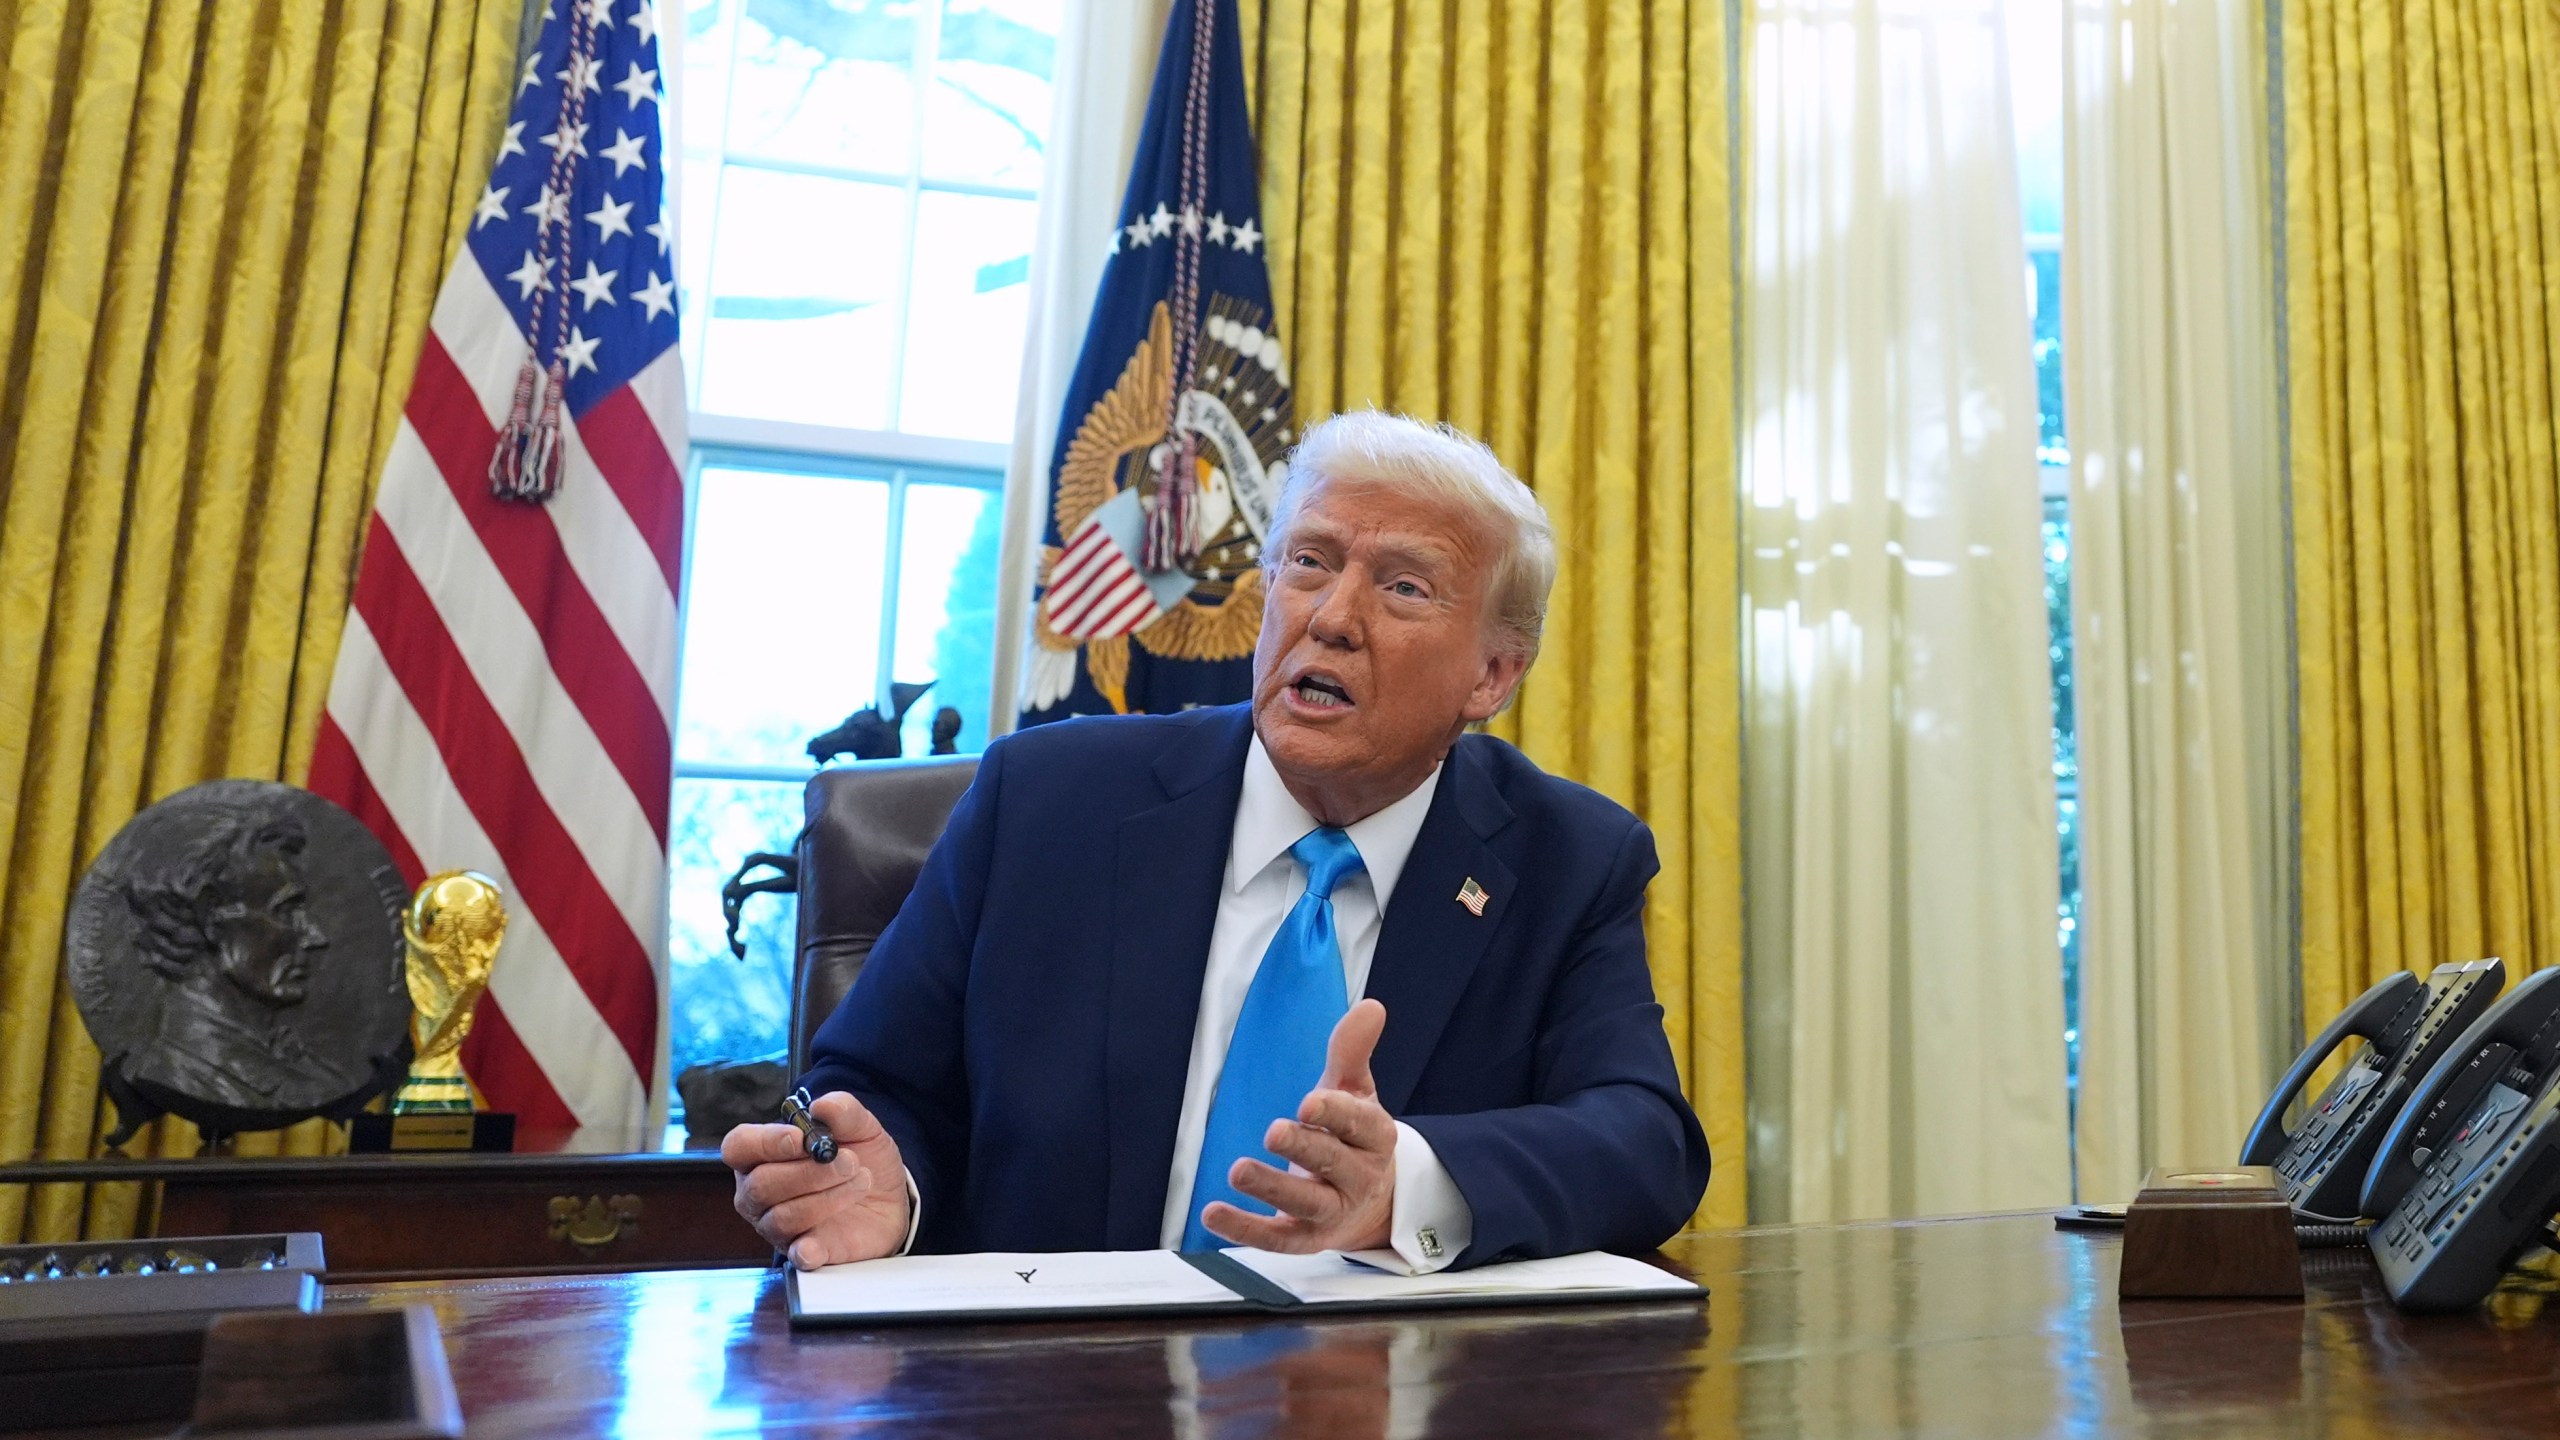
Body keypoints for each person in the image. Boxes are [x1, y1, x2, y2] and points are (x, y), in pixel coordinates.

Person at [725, 411, 1710, 1273]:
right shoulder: (1045, 802)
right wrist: (886, 1190)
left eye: (1405, 588)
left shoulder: (1566, 858)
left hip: (1376, 1392)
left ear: (1492, 675)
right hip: (1050, 1388)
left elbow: (1641, 1140)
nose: (1330, 618)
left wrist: (1406, 1184)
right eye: (1310, 562)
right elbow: (874, 1085)